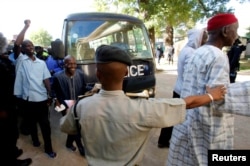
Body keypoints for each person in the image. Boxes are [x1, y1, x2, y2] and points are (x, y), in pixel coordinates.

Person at [60, 45, 226, 166]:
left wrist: (71, 110)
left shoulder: (81, 107)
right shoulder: (144, 109)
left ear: (97, 74)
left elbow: (66, 127)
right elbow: (186, 103)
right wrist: (212, 95)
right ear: (126, 73)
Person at [167, 13, 250, 166]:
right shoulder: (218, 56)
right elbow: (219, 97)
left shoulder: (198, 52)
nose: (236, 35)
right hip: (207, 125)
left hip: (189, 119)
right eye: (235, 29)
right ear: (225, 31)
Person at [158, 28, 208, 148]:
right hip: (184, 91)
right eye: (204, 38)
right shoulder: (191, 52)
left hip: (179, 88)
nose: (206, 41)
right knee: (176, 117)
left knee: (172, 115)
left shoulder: (186, 50)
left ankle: (163, 140)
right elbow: (189, 75)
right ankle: (167, 141)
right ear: (198, 38)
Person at [13, 19, 56, 158]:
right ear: (23, 49)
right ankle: (35, 140)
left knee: (45, 125)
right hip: (27, 99)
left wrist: (50, 94)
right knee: (31, 123)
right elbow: (17, 43)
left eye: (31, 45)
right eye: (27, 46)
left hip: (41, 99)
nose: (30, 47)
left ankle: (48, 148)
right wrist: (25, 27)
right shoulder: (20, 59)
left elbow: (46, 80)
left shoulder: (41, 63)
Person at [0, 32, 32, 166]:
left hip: (11, 101)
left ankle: (12, 151)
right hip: (4, 106)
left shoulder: (3, 59)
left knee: (12, 131)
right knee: (6, 133)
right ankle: (11, 161)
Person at [52, 55, 91, 156]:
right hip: (64, 105)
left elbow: (84, 87)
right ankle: (81, 148)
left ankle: (68, 143)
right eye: (69, 63)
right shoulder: (57, 76)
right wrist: (57, 102)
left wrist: (93, 88)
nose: (73, 66)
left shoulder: (81, 74)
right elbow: (53, 91)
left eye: (74, 63)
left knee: (74, 125)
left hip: (78, 103)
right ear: (64, 64)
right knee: (74, 125)